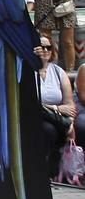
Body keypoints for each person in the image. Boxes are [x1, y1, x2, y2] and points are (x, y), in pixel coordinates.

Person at [37, 35, 75, 176]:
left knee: (58, 128)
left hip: (56, 118)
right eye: (42, 47)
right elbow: (29, 103)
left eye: (49, 47)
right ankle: (43, 172)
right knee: (49, 130)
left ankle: (54, 172)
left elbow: (70, 105)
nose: (45, 50)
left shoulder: (59, 72)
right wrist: (56, 108)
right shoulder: (27, 71)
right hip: (35, 117)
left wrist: (70, 122)